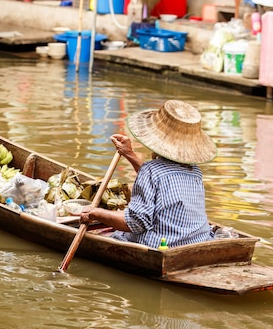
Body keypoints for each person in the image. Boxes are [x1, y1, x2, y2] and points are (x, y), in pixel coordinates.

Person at [79, 100, 217, 249]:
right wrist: (129, 154)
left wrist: (96, 213)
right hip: (199, 241)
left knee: (119, 234)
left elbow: (135, 223)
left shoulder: (151, 171)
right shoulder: (195, 172)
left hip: (163, 246)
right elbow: (159, 179)